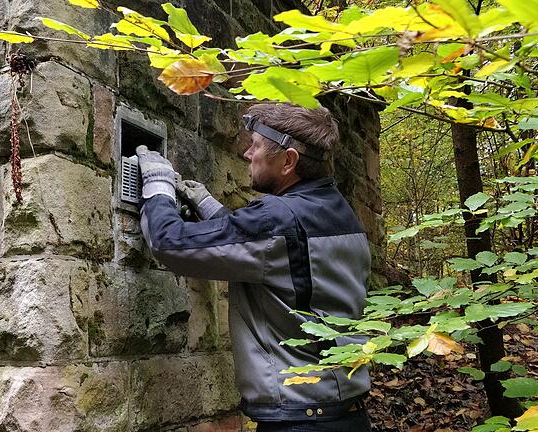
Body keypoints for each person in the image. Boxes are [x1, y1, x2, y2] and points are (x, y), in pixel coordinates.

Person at [136, 103, 372, 432]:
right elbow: (287, 260)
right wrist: (208, 206)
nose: (247, 154)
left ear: (288, 161)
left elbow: (170, 243)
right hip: (348, 415)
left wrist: (158, 188)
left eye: (256, 146)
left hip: (298, 422)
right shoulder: (342, 214)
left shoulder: (277, 219)